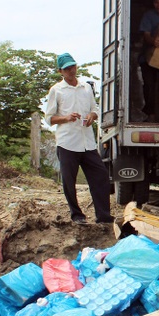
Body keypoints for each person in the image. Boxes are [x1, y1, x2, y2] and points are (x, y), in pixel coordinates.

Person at [43, 53, 115, 224]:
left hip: (87, 142)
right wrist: (66, 118)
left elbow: (95, 109)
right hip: (67, 142)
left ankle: (103, 216)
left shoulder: (86, 87)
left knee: (101, 176)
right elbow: (49, 118)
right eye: (67, 68)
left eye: (73, 67)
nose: (71, 71)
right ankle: (77, 215)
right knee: (69, 181)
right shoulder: (56, 90)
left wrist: (92, 115)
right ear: (60, 71)